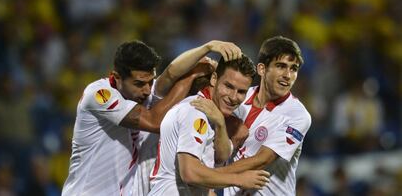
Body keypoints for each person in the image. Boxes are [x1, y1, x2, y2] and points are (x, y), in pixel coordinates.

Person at [62, 40, 243, 196]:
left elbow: (170, 74)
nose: (148, 90)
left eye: (150, 81)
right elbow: (155, 122)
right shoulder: (99, 94)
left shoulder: (140, 94)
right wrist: (192, 75)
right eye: (140, 84)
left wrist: (206, 47)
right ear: (116, 77)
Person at [193, 35, 312, 195]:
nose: (288, 75)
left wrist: (208, 178)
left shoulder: (297, 115)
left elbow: (262, 160)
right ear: (262, 69)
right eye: (281, 66)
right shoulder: (237, 97)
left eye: (293, 69)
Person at [148, 55, 270, 196]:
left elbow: (221, 156)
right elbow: (190, 173)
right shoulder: (195, 110)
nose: (233, 96)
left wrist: (220, 124)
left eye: (241, 91)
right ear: (214, 79)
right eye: (228, 86)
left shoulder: (213, 115)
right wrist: (238, 179)